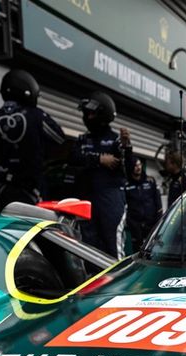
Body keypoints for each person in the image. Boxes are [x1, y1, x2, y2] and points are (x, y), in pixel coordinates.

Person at [0, 69, 65, 210]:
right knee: (37, 229)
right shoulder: (37, 116)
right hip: (34, 188)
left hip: (3, 190)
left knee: (7, 229)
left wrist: (7, 176)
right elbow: (60, 139)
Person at [69, 90, 133, 258]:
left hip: (110, 200)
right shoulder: (83, 140)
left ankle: (118, 282)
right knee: (87, 249)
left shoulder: (116, 141)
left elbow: (132, 170)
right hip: (85, 201)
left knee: (113, 247)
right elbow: (73, 158)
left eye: (89, 114)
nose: (86, 117)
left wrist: (128, 147)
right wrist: (99, 160)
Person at [125, 156, 163, 251]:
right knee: (138, 251)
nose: (138, 167)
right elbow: (125, 207)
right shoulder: (127, 185)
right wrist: (132, 224)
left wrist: (158, 221)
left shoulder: (150, 181)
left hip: (151, 224)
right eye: (135, 166)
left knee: (154, 249)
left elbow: (158, 202)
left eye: (139, 165)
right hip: (136, 226)